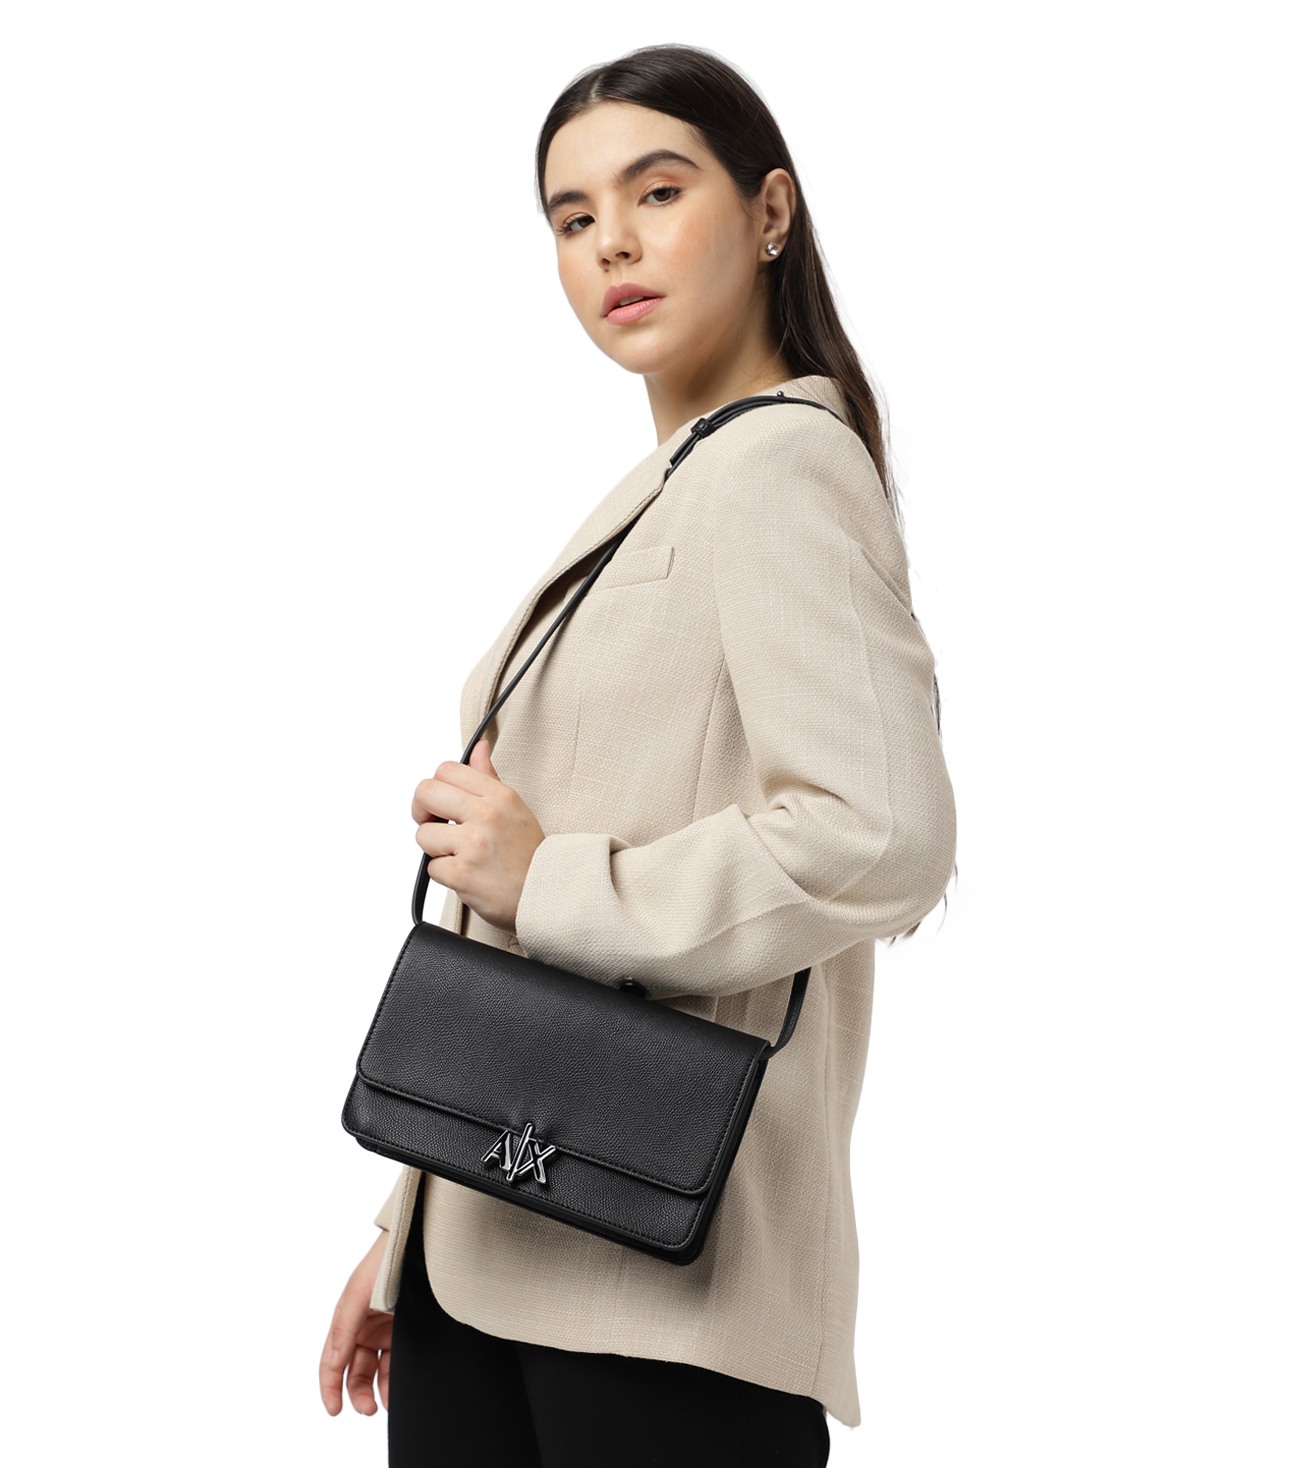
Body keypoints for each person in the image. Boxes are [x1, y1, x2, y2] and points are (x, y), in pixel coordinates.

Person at [320, 42, 957, 1466]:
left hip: (662, 1283)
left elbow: (881, 836)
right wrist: (404, 1228)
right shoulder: (671, 487)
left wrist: (549, 878)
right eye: (572, 215)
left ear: (770, 213)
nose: (611, 239)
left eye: (657, 191)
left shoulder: (781, 468)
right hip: (493, 1244)